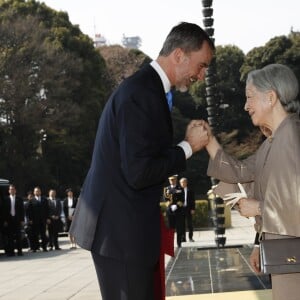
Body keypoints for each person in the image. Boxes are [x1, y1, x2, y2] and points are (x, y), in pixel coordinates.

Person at [70, 21, 214, 300]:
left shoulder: (148, 90)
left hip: (124, 233)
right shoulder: (141, 93)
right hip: (121, 236)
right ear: (179, 55)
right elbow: (140, 171)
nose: (202, 74)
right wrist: (188, 147)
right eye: (201, 65)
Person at [204, 64, 300, 300]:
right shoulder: (273, 140)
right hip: (284, 253)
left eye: (250, 97)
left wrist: (258, 207)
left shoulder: (291, 136)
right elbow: (242, 173)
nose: (246, 106)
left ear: (271, 97)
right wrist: (209, 142)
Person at [1, 184, 25, 256]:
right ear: (9, 191)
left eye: (13, 189)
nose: (12, 190)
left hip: (17, 220)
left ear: (15, 190)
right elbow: (3, 211)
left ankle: (19, 251)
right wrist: (4, 221)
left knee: (18, 236)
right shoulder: (5, 199)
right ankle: (11, 252)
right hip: (9, 220)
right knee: (10, 237)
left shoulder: (19, 199)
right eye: (11, 189)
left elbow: (22, 210)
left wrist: (22, 220)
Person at [163, 175, 185, 247]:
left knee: (179, 228)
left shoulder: (180, 188)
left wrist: (177, 205)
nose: (172, 181)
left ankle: (179, 243)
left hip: (178, 211)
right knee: (170, 228)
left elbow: (182, 200)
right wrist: (170, 206)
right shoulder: (166, 189)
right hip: (170, 211)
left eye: (173, 180)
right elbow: (165, 200)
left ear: (176, 180)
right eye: (170, 180)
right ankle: (170, 244)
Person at [26, 186, 50, 252]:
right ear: (34, 192)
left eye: (38, 191)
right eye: (36, 191)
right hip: (34, 221)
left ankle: (44, 247)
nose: (37, 192)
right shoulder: (31, 201)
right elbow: (29, 211)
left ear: (40, 192)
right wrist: (30, 219)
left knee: (43, 235)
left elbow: (47, 210)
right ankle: (35, 248)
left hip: (43, 220)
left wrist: (48, 218)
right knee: (35, 235)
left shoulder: (44, 200)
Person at [179, 177, 196, 242]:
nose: (182, 184)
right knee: (182, 225)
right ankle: (183, 238)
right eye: (181, 182)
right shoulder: (178, 190)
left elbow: (193, 200)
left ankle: (190, 238)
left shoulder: (190, 190)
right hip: (181, 210)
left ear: (186, 183)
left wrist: (193, 209)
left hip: (188, 209)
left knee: (190, 224)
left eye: (184, 182)